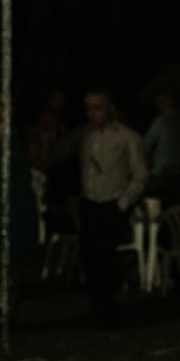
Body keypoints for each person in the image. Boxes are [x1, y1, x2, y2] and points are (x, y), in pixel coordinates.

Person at [78, 86, 148, 328]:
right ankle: (96, 307)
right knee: (89, 256)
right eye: (89, 108)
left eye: (97, 108)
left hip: (112, 203)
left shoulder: (127, 137)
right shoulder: (86, 136)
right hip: (90, 202)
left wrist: (124, 202)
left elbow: (140, 174)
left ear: (111, 109)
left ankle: (105, 310)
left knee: (103, 255)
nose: (92, 113)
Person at [0, 87, 40, 319]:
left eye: (8, 105)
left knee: (16, 254)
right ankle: (4, 288)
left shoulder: (24, 135)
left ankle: (8, 305)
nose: (4, 109)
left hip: (18, 200)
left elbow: (39, 164)